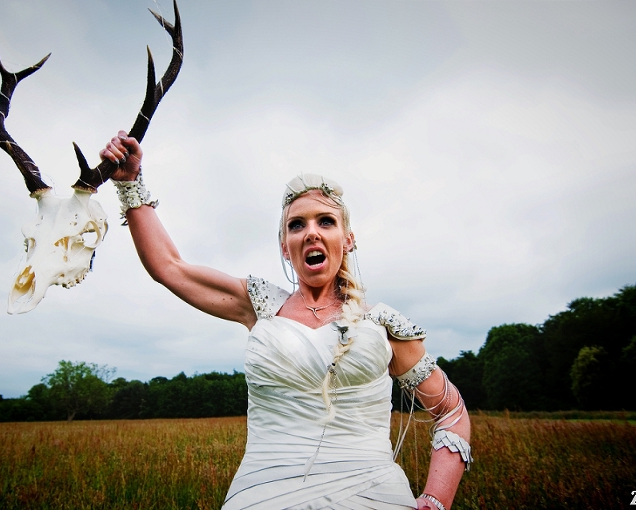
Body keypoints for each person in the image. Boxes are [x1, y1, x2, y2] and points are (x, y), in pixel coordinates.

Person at [101, 130, 472, 510]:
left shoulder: (383, 327)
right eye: (297, 225)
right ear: (285, 245)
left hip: (373, 498)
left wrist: (435, 499)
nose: (311, 232)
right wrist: (131, 183)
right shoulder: (258, 305)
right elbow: (169, 268)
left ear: (348, 240)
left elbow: (452, 413)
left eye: (325, 222)